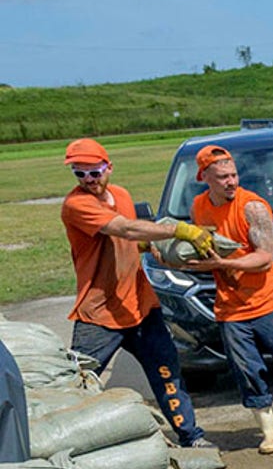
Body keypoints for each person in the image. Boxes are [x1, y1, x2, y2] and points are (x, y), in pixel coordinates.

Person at [58, 137, 213, 448]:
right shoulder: (76, 205)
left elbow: (130, 235)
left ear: (109, 167)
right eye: (80, 174)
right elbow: (125, 229)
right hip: (99, 313)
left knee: (167, 373)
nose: (89, 180)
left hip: (141, 307)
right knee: (77, 384)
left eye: (95, 172)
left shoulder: (121, 195)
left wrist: (150, 244)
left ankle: (191, 436)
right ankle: (66, 444)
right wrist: (178, 230)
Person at [188, 143, 273, 454]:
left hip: (269, 303)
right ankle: (269, 431)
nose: (231, 181)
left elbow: (264, 258)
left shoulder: (253, 207)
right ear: (204, 176)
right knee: (246, 370)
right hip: (230, 308)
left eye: (234, 174)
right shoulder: (199, 207)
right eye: (222, 176)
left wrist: (223, 264)